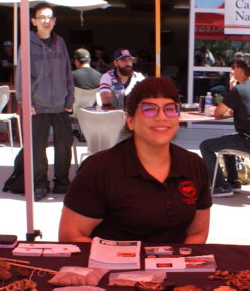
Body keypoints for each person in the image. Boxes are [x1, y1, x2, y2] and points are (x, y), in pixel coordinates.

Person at [59, 76, 211, 243]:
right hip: (113, 266)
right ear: (130, 120)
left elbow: (197, 233)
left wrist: (177, 264)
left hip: (175, 266)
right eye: (149, 109)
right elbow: (71, 235)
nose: (161, 117)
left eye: (170, 108)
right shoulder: (99, 169)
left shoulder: (193, 164)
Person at [200, 52, 250, 197]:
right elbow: (239, 105)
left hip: (249, 141)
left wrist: (233, 89)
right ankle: (233, 181)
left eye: (234, 67)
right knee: (226, 142)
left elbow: (218, 113)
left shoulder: (240, 89)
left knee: (205, 146)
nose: (232, 71)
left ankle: (220, 186)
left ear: (241, 69)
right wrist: (233, 88)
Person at [25, 2, 75, 200]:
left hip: (61, 104)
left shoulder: (59, 42)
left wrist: (70, 97)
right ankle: (39, 183)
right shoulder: (27, 43)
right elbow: (23, 76)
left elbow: (67, 71)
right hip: (38, 105)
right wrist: (26, 101)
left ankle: (62, 182)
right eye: (42, 17)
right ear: (34, 21)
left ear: (54, 21)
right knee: (38, 147)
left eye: (49, 17)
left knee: (64, 143)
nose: (46, 21)